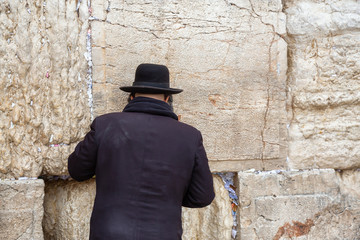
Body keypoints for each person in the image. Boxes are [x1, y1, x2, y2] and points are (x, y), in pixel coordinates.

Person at [68, 63, 215, 240]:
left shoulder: (105, 125)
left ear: (131, 96)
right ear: (167, 98)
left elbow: (77, 171)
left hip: (109, 234)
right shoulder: (190, 136)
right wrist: (169, 195)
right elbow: (203, 196)